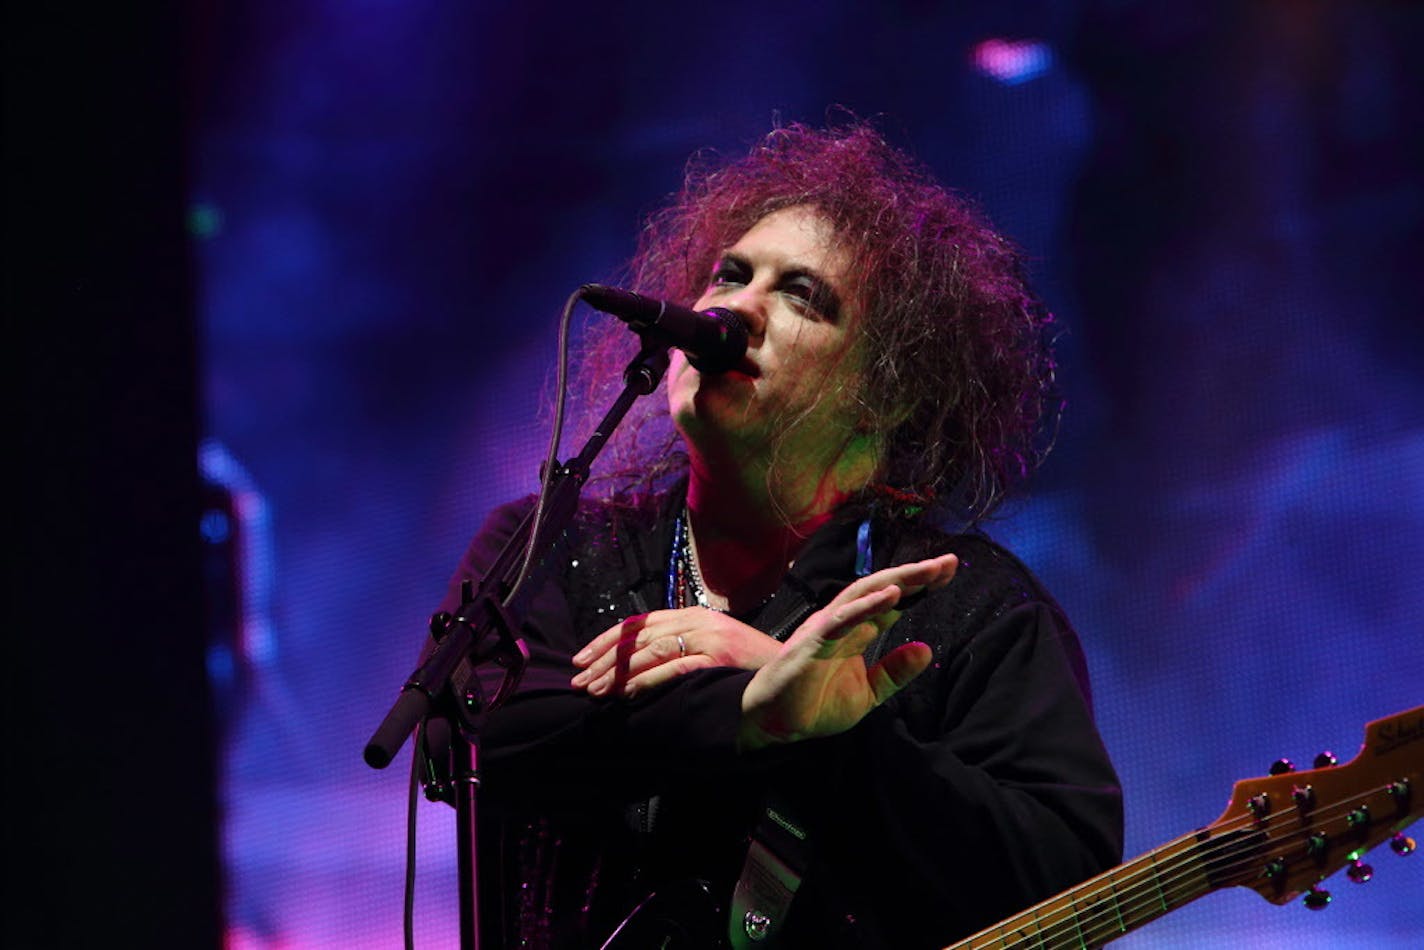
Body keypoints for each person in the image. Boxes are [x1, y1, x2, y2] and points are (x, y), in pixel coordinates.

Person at [424, 120, 1123, 949]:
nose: (730, 307)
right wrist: (750, 708)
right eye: (729, 274)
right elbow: (467, 736)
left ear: (885, 393)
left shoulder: (967, 605)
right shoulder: (551, 542)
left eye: (801, 295)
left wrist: (840, 733)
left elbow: (1060, 879)